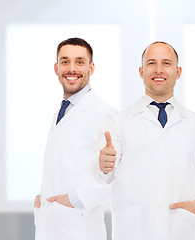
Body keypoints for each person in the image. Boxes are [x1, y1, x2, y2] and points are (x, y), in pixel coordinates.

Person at [95, 41, 195, 240]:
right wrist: (103, 165)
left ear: (178, 72)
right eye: (151, 63)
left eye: (166, 63)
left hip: (181, 232)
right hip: (133, 232)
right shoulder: (117, 122)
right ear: (141, 71)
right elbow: (102, 174)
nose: (159, 70)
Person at [33, 37, 115, 240]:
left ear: (91, 67)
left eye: (79, 62)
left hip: (79, 228)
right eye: (65, 61)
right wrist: (42, 197)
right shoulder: (60, 113)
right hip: (50, 225)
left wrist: (74, 199)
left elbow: (115, 173)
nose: (72, 69)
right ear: (56, 68)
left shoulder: (104, 114)